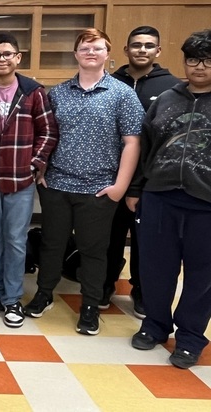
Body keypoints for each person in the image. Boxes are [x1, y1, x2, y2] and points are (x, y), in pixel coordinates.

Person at [23, 28, 144, 336]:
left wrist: (120, 186)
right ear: (76, 55)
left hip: (100, 189)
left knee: (93, 250)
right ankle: (44, 293)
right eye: (85, 48)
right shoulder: (58, 93)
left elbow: (132, 142)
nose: (91, 52)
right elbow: (45, 135)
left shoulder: (122, 94)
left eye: (98, 48)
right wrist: (42, 170)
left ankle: (90, 306)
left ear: (108, 54)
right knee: (52, 244)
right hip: (57, 185)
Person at [128, 29, 211, 369]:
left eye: (207, 61)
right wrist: (136, 189)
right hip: (159, 196)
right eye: (193, 60)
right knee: (155, 269)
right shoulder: (166, 99)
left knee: (202, 275)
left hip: (205, 203)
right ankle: (155, 326)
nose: (199, 67)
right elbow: (143, 146)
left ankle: (190, 338)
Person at [0, 33, 58, 328]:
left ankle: (12, 298)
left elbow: (48, 132)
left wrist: (35, 164)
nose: (2, 59)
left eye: (8, 54)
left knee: (16, 240)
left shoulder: (34, 92)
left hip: (21, 181)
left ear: (18, 58)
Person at [105, 26, 181, 318]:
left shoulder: (171, 89)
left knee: (145, 242)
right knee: (109, 237)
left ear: (158, 51)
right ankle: (105, 284)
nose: (142, 50)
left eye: (149, 46)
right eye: (136, 45)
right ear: (126, 50)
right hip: (110, 178)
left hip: (150, 182)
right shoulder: (111, 83)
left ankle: (140, 292)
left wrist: (138, 186)